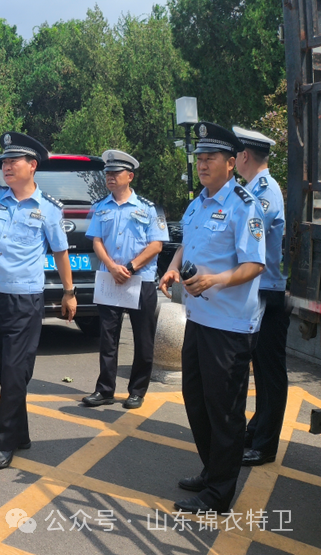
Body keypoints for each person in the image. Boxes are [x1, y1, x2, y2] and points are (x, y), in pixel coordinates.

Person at [159, 121, 265, 513]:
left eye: (211, 158)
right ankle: (212, 470)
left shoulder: (243, 204)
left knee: (224, 410)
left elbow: (254, 265)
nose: (203, 164)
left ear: (232, 162)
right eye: (199, 158)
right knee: (196, 401)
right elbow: (186, 245)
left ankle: (219, 493)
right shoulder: (197, 202)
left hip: (230, 325)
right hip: (199, 319)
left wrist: (215, 280)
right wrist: (173, 268)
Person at [0, 132, 77, 469]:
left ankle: (6, 440)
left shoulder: (48, 210)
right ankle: (19, 433)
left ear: (32, 166)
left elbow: (61, 253)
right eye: (4, 162)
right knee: (5, 367)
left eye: (13, 161)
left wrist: (69, 292)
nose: (6, 167)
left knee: (12, 371)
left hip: (24, 299)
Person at [82, 150, 168, 410]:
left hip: (139, 281)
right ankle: (105, 389)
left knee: (144, 340)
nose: (109, 177)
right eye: (107, 173)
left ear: (129, 176)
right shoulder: (100, 207)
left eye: (115, 173)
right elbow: (96, 241)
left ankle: (137, 391)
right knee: (108, 338)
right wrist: (111, 266)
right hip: (110, 279)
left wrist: (129, 268)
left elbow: (156, 245)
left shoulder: (149, 208)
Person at [233, 126, 290, 467]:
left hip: (270, 289)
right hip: (262, 290)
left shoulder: (265, 191)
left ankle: (266, 444)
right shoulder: (253, 188)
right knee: (262, 369)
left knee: (270, 371)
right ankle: (258, 428)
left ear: (243, 156)